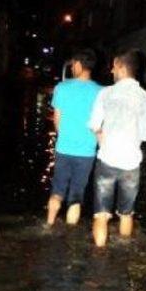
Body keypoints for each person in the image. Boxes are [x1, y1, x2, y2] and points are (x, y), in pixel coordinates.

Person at [89, 49, 146, 247]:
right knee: (127, 215)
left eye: (113, 66)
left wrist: (102, 138)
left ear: (120, 66)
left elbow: (94, 124)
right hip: (131, 164)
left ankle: (99, 258)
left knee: (101, 215)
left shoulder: (105, 93)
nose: (111, 71)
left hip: (107, 160)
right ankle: (124, 254)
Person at [46, 48, 101, 227]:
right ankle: (69, 233)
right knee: (77, 194)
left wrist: (67, 137)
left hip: (64, 149)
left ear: (78, 65)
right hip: (86, 152)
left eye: (72, 65)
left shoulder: (61, 87)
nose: (71, 68)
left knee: (57, 191)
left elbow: (57, 121)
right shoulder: (101, 92)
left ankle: (49, 225)